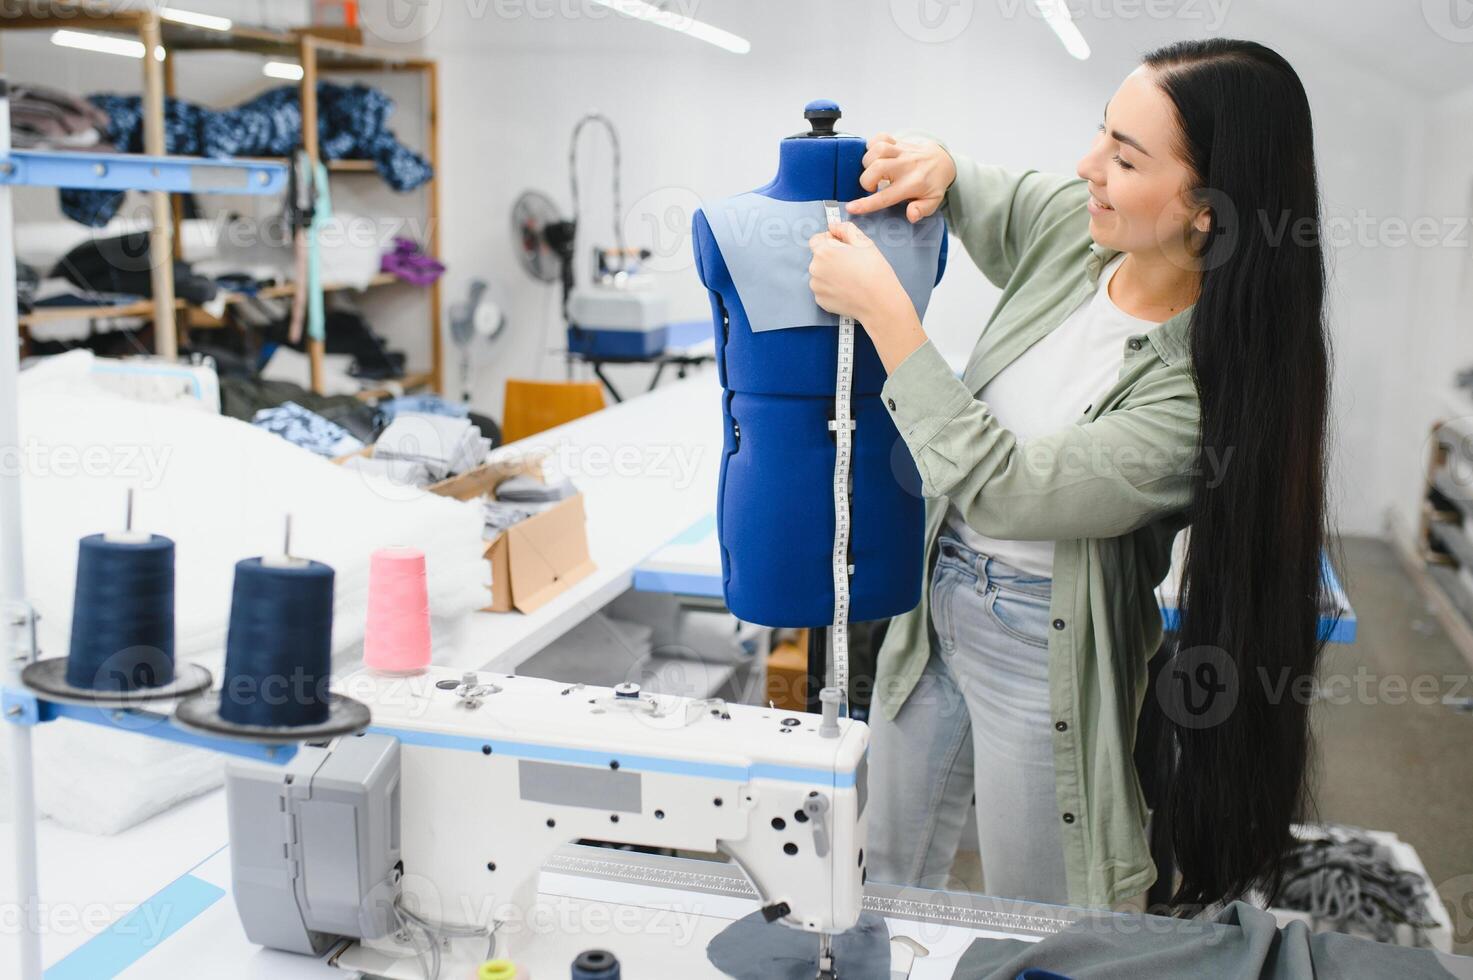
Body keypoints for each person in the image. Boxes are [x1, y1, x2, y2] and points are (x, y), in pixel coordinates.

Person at [806, 38, 1333, 912]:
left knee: (1039, 915)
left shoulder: (1198, 396)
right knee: (885, 873)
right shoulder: (1077, 234)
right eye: (1101, 135)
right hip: (932, 602)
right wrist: (936, 163)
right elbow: (981, 188)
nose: (1088, 166)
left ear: (1206, 209)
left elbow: (1010, 490)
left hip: (1041, 646)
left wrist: (885, 317)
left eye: (1125, 157)